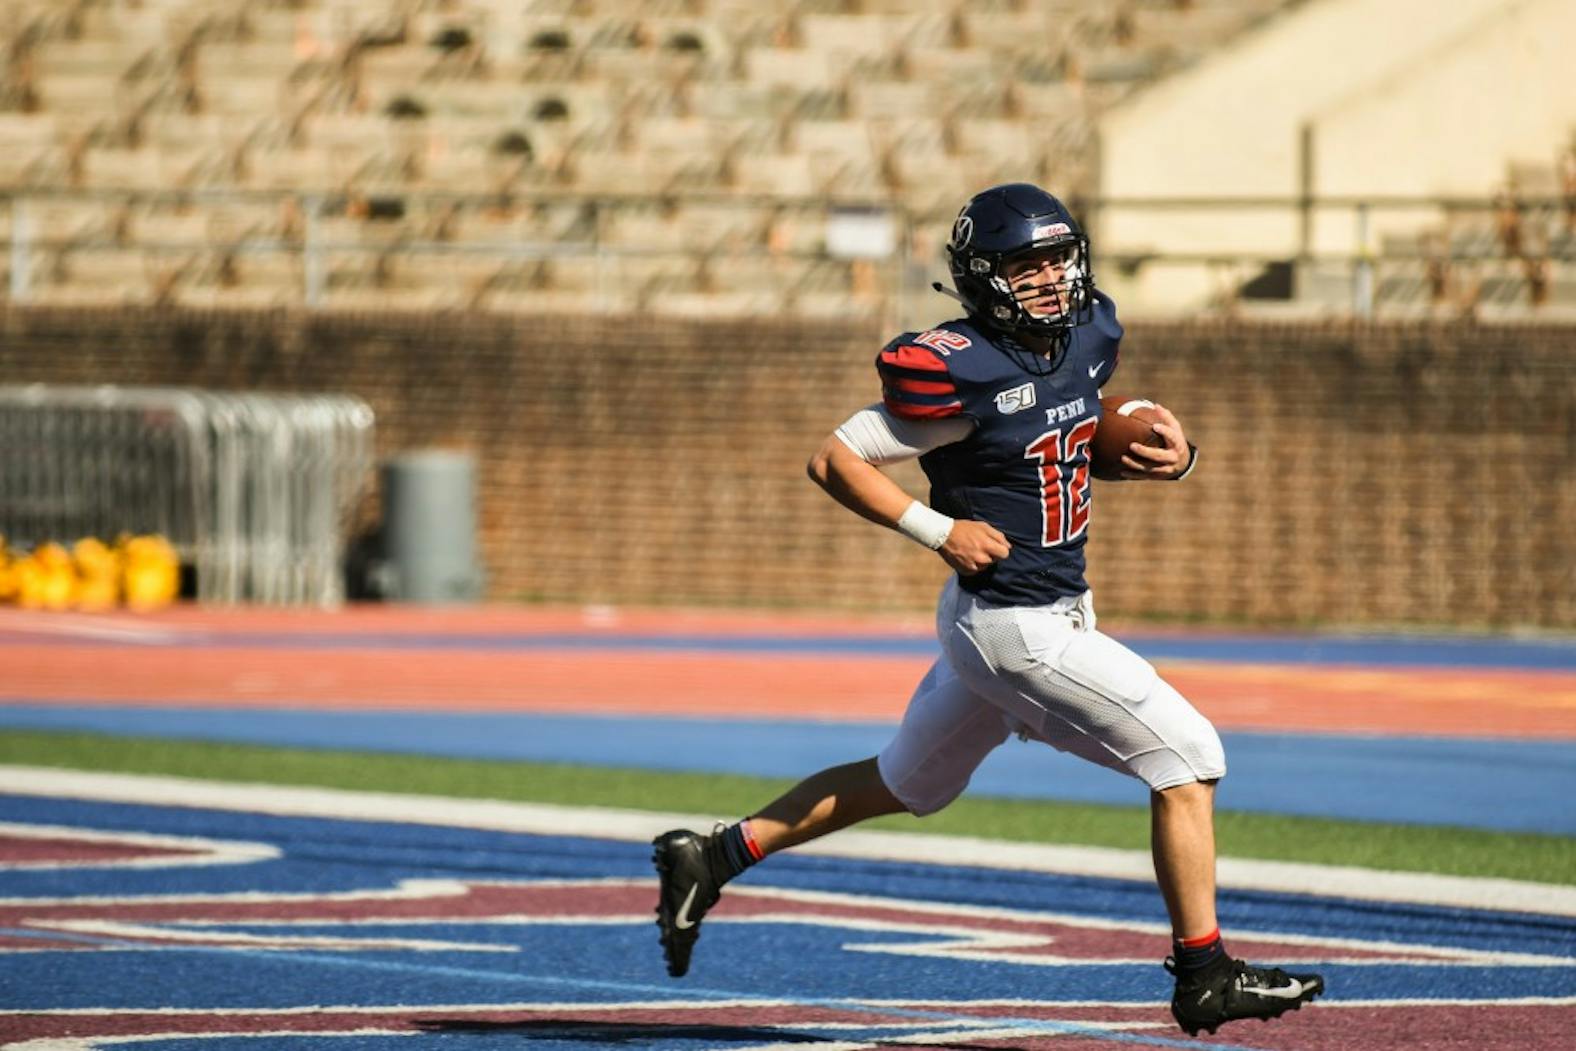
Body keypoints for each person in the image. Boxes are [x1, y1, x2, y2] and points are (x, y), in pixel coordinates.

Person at [651, 183, 1324, 1038]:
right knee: (1188, 759)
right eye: (1024, 266)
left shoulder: (1088, 336)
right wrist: (938, 530)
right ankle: (1204, 972)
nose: (1049, 279)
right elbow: (837, 459)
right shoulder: (961, 365)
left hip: (1027, 617)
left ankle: (712, 855)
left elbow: (1056, 444)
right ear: (982, 278)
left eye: (1057, 258)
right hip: (1014, 625)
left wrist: (1175, 456)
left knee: (906, 781)